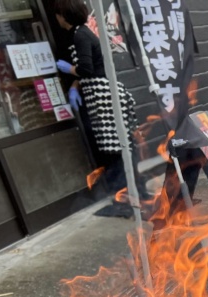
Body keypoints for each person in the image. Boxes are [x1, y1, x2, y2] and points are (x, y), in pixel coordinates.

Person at [54, 0, 149, 216]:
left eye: (58, 14)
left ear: (64, 15)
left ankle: (124, 202)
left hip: (103, 99)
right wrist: (75, 86)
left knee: (116, 151)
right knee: (124, 147)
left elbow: (87, 69)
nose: (56, 18)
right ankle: (138, 194)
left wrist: (69, 69)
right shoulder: (83, 33)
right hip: (105, 96)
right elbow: (95, 66)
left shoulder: (80, 35)